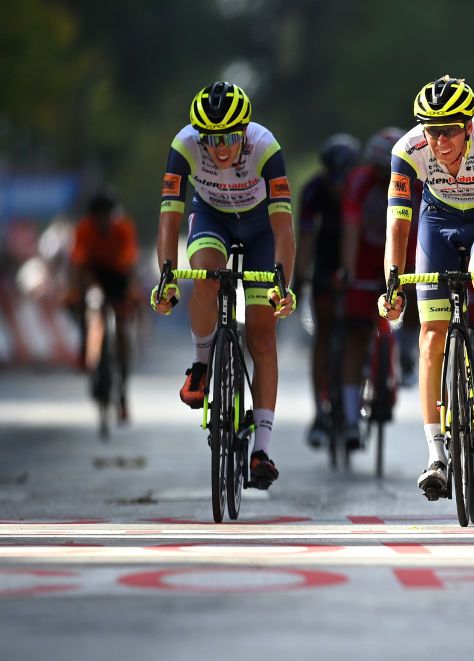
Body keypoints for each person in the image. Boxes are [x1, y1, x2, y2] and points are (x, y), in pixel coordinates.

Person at [377, 75, 474, 498]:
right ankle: (436, 455)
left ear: (468, 126)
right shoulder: (407, 151)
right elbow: (398, 221)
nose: (441, 141)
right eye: (432, 131)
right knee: (430, 336)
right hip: (437, 222)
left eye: (449, 131)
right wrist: (392, 282)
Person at [150, 81, 296, 488]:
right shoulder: (183, 146)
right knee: (206, 280)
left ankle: (262, 449)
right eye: (211, 139)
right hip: (211, 218)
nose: (220, 148)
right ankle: (200, 366)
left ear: (244, 132)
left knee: (263, 339)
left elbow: (284, 229)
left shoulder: (266, 147)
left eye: (230, 137)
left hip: (261, 229)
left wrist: (282, 282)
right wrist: (166, 274)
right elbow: (170, 217)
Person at [335, 126, 405, 449]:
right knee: (356, 337)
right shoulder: (359, 182)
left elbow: (416, 226)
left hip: (399, 254)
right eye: (380, 170)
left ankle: (399, 358)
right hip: (364, 257)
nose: (384, 176)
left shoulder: (412, 182)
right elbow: (350, 226)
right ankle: (350, 419)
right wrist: (348, 270)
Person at [297, 133, 361, 448]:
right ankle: (319, 413)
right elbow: (306, 239)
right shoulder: (313, 191)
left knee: (356, 331)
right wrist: (299, 277)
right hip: (324, 260)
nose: (338, 188)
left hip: (359, 258)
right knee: (323, 333)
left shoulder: (361, 188)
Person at [67, 187, 140, 420]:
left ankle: (123, 393)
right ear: (91, 216)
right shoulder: (84, 230)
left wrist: (130, 295)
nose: (102, 220)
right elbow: (78, 265)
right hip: (94, 273)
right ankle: (84, 345)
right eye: (98, 215)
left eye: (106, 214)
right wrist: (76, 294)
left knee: (121, 329)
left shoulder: (123, 229)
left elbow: (129, 266)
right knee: (82, 304)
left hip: (118, 276)